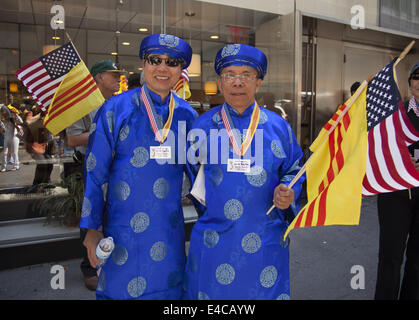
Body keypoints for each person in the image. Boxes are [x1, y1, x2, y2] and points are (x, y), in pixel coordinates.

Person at [80, 34, 198, 300]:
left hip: (168, 232)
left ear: (181, 70)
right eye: (155, 60)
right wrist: (91, 228)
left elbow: (201, 176)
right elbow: (94, 171)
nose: (163, 68)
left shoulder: (187, 116)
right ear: (143, 63)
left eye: (172, 62)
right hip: (121, 233)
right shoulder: (114, 110)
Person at [182, 44, 304, 300]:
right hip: (215, 237)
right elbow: (195, 178)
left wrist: (288, 191)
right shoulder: (202, 126)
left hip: (265, 236)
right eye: (230, 75)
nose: (238, 82)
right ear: (220, 82)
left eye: (246, 75)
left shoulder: (278, 126)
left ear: (258, 82)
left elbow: (295, 168)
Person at [65, 60, 124, 291]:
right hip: (89, 166)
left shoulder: (118, 104)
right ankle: (89, 268)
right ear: (99, 77)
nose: (117, 79)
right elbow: (72, 140)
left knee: (113, 215)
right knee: (92, 215)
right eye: (112, 75)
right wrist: (102, 133)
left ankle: (108, 262)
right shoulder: (81, 105)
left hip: (115, 166)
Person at [374, 62, 419, 300]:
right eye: (417, 77)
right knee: (390, 256)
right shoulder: (394, 115)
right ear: (410, 83)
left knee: (417, 258)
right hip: (396, 192)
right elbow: (377, 146)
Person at [1, 105, 23, 172]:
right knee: (4, 152)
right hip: (6, 137)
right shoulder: (3, 119)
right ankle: (3, 167)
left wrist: (16, 115)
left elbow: (21, 122)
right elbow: (2, 127)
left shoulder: (13, 118)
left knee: (14, 152)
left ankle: (16, 165)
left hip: (14, 137)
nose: (4, 113)